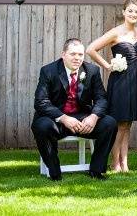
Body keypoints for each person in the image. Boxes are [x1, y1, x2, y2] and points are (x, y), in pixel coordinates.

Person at [85, 0, 137, 172]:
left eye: (136, 11)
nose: (133, 14)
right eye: (130, 11)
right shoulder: (116, 32)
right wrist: (107, 66)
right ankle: (115, 164)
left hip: (135, 80)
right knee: (119, 123)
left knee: (127, 124)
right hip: (120, 82)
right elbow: (90, 49)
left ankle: (125, 164)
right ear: (124, 12)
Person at [32, 38, 118, 180]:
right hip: (56, 120)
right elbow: (41, 102)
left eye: (80, 54)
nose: (77, 58)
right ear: (63, 54)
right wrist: (64, 118)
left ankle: (96, 170)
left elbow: (101, 98)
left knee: (109, 123)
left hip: (82, 120)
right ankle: (54, 172)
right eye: (73, 54)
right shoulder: (48, 71)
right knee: (41, 126)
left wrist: (94, 116)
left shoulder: (92, 71)